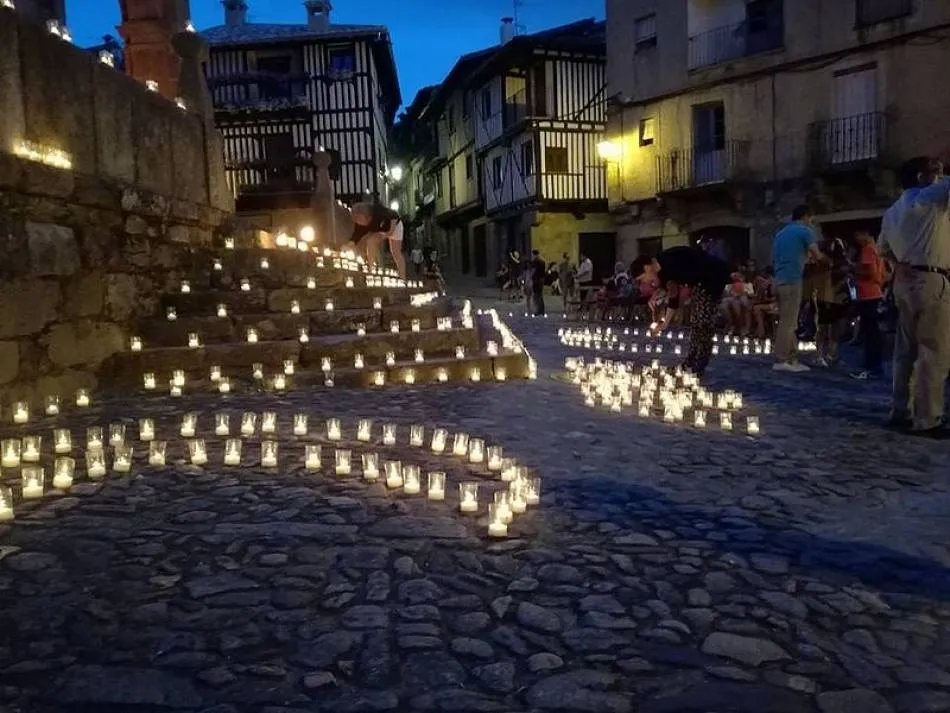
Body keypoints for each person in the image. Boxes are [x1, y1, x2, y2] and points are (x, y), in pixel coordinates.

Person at [878, 156, 950, 438]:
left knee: (905, 350)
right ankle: (927, 417)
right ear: (922, 177)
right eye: (934, 170)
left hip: (905, 282)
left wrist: (900, 264)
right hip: (932, 279)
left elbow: (883, 248)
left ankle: (900, 409)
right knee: (934, 350)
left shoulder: (893, 210)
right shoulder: (931, 197)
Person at [630, 245, 731, 376]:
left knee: (703, 321)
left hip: (712, 276)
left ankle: (699, 363)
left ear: (647, 268)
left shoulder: (668, 262)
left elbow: (678, 295)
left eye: (642, 279)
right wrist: (665, 323)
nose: (644, 282)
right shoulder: (662, 272)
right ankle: (691, 361)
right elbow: (673, 296)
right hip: (699, 281)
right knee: (697, 321)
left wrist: (665, 315)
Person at [771, 205, 826, 372]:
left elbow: (776, 257)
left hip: (778, 279)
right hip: (792, 279)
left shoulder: (780, 233)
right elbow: (817, 255)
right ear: (805, 216)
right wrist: (830, 261)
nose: (811, 222)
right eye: (811, 219)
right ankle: (781, 360)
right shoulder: (805, 231)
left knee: (789, 321)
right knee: (788, 323)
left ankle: (792, 358)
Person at [850, 229, 886, 380]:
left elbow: (870, 272)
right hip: (875, 292)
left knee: (870, 333)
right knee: (873, 332)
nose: (856, 238)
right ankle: (874, 367)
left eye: (858, 234)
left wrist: (854, 270)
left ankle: (870, 367)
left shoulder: (867, 250)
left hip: (867, 294)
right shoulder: (877, 249)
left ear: (866, 234)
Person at [811, 236, 851, 367]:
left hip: (837, 296)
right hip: (827, 296)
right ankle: (820, 355)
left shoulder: (841, 263)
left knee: (835, 326)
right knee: (823, 326)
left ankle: (830, 354)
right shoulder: (824, 263)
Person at [351, 202, 407, 278]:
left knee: (396, 252)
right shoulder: (361, 225)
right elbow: (356, 235)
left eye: (358, 218)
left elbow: (394, 215)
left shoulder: (378, 211)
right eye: (356, 219)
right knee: (371, 241)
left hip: (394, 226)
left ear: (364, 215)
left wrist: (391, 230)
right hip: (381, 230)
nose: (357, 221)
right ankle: (371, 268)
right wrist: (349, 244)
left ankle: (402, 276)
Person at [528, 249, 546, 316]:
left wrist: (529, 277)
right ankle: (542, 310)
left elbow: (533, 270)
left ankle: (537, 310)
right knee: (540, 295)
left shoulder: (535, 261)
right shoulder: (542, 261)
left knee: (536, 295)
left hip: (536, 279)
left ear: (533, 254)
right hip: (541, 279)